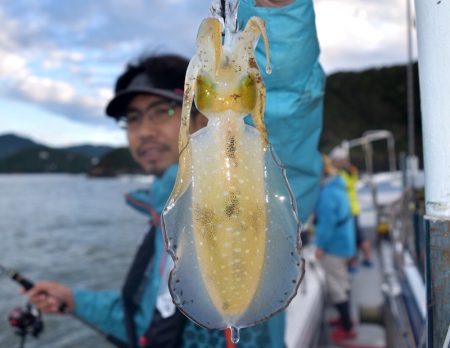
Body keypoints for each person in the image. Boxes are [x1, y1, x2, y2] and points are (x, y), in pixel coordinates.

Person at [26, 0, 325, 347]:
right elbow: (149, 320)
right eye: (133, 118)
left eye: (162, 110)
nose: (145, 130)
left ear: (198, 110)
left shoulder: (258, 162)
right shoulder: (162, 213)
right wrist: (76, 301)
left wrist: (279, 12)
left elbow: (289, 101)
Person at [314, 155, 357, 343]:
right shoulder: (338, 185)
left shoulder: (327, 193)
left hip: (334, 246)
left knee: (336, 287)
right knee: (344, 282)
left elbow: (327, 223)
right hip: (345, 241)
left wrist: (320, 246)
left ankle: (347, 328)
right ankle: (345, 320)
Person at [330, 144, 373, 268]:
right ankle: (364, 259)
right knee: (357, 236)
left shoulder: (342, 175)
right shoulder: (350, 171)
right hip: (351, 209)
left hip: (348, 210)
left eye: (334, 161)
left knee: (353, 237)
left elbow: (341, 187)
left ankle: (353, 262)